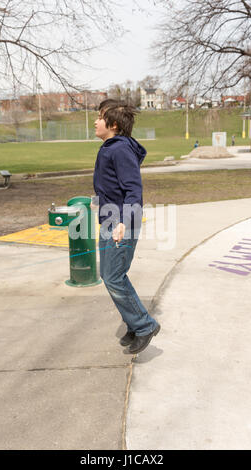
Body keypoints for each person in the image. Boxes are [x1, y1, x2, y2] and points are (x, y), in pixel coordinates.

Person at [93, 100, 160, 354]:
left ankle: (144, 326)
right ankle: (134, 322)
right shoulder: (112, 148)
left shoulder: (120, 150)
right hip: (110, 219)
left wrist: (124, 223)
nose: (95, 122)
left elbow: (134, 189)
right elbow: (112, 185)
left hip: (121, 224)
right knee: (111, 276)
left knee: (113, 277)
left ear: (113, 125)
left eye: (100, 118)